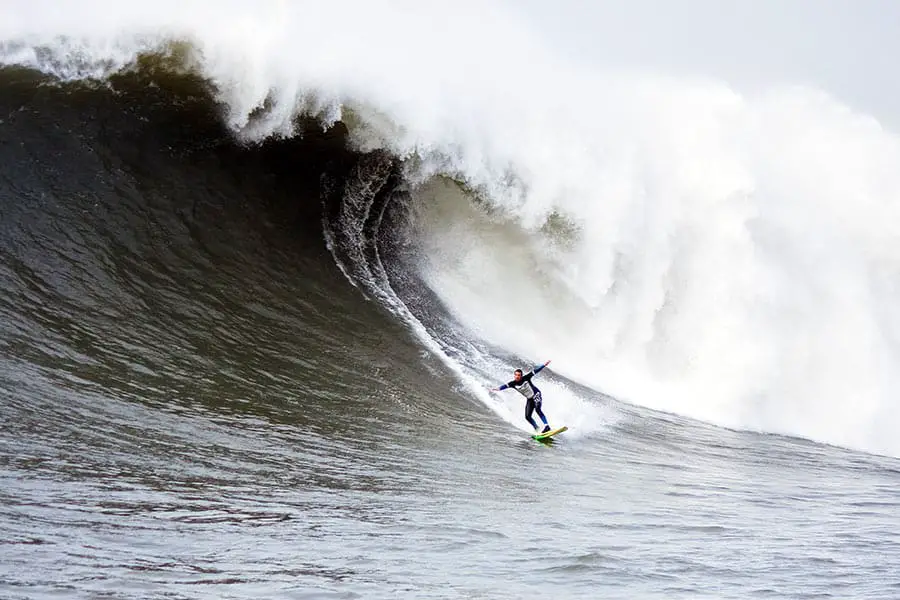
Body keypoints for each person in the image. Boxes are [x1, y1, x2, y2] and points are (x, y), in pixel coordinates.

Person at [491, 360, 553, 433]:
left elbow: (536, 371)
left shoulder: (526, 377)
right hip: (530, 399)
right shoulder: (512, 383)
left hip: (536, 394)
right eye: (516, 375)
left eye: (519, 375)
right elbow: (505, 386)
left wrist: (544, 365)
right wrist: (497, 389)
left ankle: (547, 426)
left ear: (521, 375)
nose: (517, 376)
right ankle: (537, 428)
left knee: (537, 409)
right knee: (527, 416)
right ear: (514, 375)